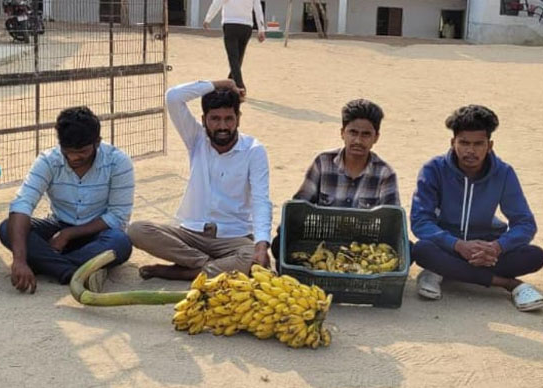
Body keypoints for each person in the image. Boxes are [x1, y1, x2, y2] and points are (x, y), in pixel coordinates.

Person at [128, 79, 272, 280]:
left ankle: (177, 272)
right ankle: (209, 267)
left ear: (238, 118)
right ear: (204, 120)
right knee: (137, 230)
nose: (223, 126)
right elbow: (173, 97)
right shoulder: (196, 139)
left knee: (250, 257)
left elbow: (261, 200)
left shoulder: (254, 151)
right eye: (215, 119)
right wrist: (221, 83)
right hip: (191, 234)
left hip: (233, 237)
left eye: (229, 119)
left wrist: (261, 245)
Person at [411, 105, 543, 311]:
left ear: (489, 145)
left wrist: (497, 247)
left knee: (535, 256)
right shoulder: (433, 169)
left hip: (488, 251)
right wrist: (458, 245)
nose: (470, 151)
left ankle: (443, 272)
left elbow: (525, 223)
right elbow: (421, 221)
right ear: (453, 142)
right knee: (420, 250)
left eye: (478, 144)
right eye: (464, 143)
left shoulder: (504, 173)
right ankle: (509, 284)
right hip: (447, 246)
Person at [0, 107, 133, 293]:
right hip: (57, 226)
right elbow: (22, 204)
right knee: (7, 228)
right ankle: (74, 272)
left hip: (98, 232)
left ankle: (45, 263)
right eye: (67, 151)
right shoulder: (48, 161)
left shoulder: (118, 162)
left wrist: (68, 234)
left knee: (120, 242)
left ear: (97, 142)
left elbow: (117, 217)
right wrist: (19, 261)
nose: (73, 157)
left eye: (82, 152)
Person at [270, 99, 400, 265]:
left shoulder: (385, 173)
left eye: (366, 134)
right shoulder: (323, 163)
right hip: (321, 241)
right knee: (279, 244)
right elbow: (299, 205)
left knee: (407, 250)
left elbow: (393, 221)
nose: (358, 141)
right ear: (342, 133)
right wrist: (285, 231)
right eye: (353, 132)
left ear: (376, 138)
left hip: (364, 248)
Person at [203, 0, 266, 94]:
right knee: (238, 58)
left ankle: (240, 86)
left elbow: (217, 2)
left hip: (230, 24)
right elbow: (258, 8)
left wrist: (208, 18)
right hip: (246, 26)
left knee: (233, 57)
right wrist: (261, 29)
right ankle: (229, 83)